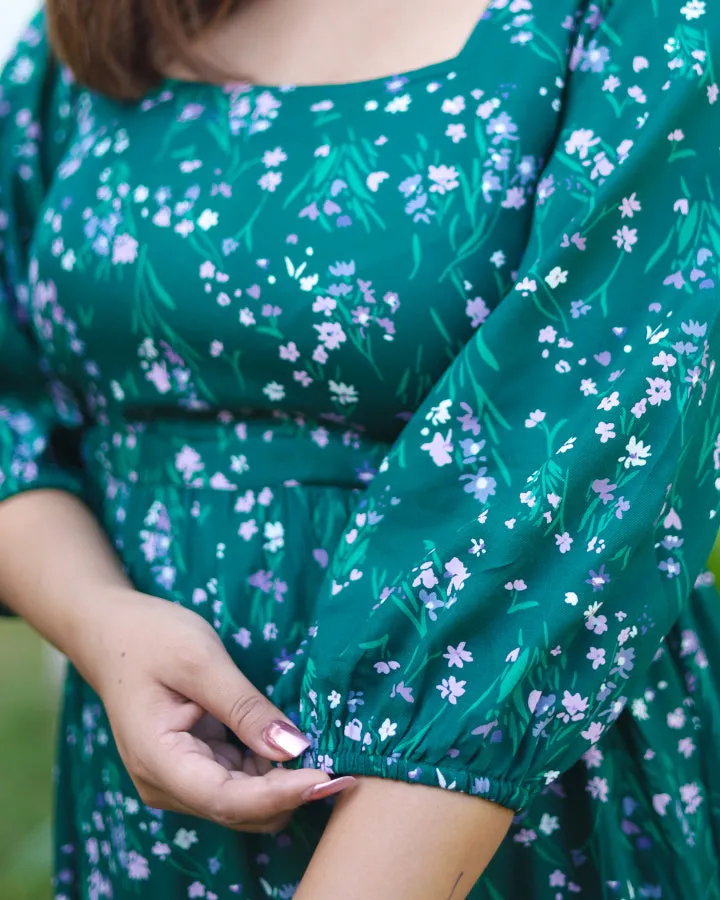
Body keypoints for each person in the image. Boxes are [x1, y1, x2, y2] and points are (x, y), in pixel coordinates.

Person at [1, 0, 719, 896]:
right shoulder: (101, 31)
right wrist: (101, 624)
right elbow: (11, 409)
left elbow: (586, 460)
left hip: (482, 813)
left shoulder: (641, 22)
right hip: (157, 814)